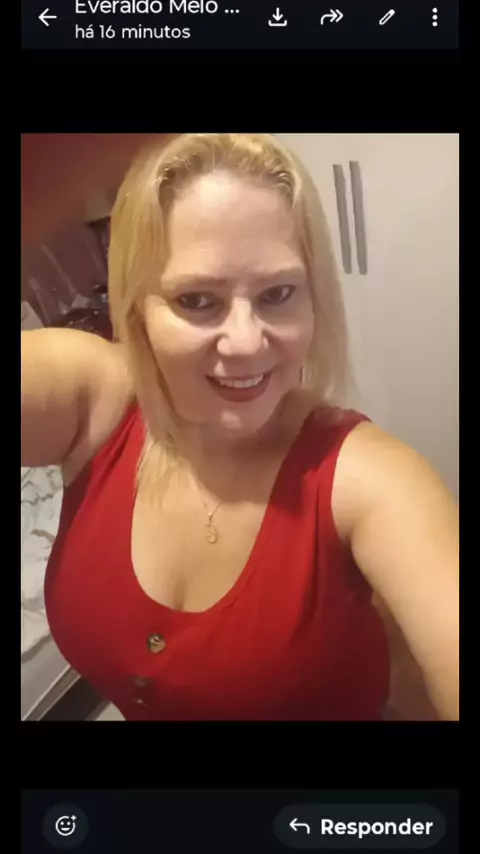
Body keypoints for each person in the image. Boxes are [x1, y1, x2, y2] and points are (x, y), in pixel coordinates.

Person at [21, 133, 459, 721]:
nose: (247, 343)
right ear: (137, 307)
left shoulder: (369, 480)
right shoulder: (94, 398)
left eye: (278, 293)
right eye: (197, 300)